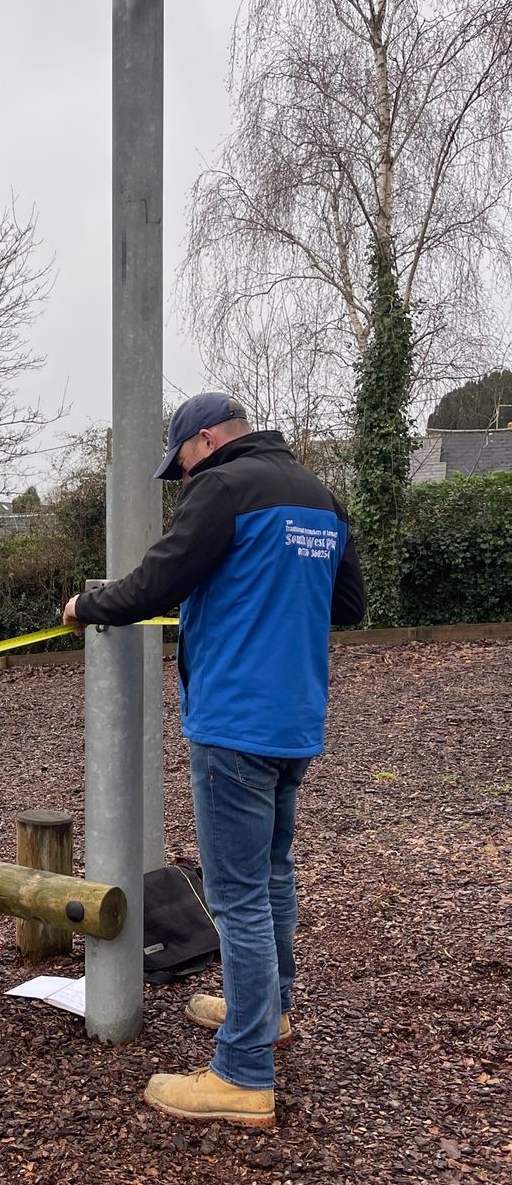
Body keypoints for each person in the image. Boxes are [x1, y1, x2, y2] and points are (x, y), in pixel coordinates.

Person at [63, 391, 365, 1129]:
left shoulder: (223, 488)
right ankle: (271, 1010)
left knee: (236, 896)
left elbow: (154, 583)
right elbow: (349, 605)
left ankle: (242, 1072)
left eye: (181, 463)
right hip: (296, 720)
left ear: (202, 442)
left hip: (234, 722)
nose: (183, 478)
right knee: (272, 875)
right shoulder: (319, 496)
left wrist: (85, 606)